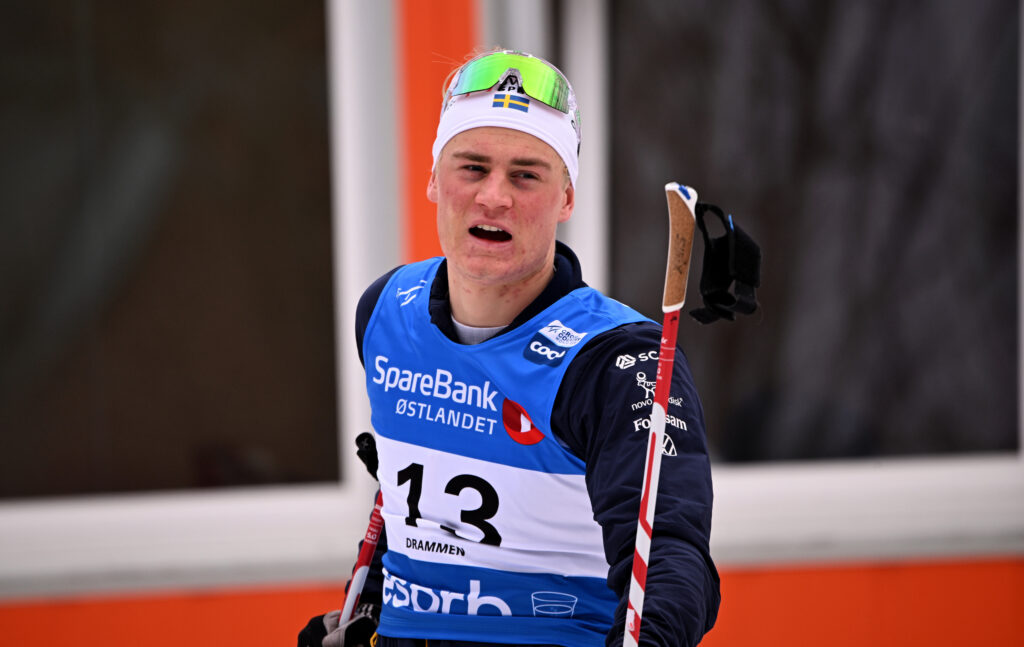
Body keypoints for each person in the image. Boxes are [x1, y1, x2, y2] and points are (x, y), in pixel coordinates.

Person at [299, 48, 720, 647]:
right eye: (472, 167)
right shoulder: (387, 310)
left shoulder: (614, 360)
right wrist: (366, 606)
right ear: (434, 179)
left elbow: (672, 558)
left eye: (526, 175)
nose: (494, 197)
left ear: (566, 198)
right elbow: (407, 508)